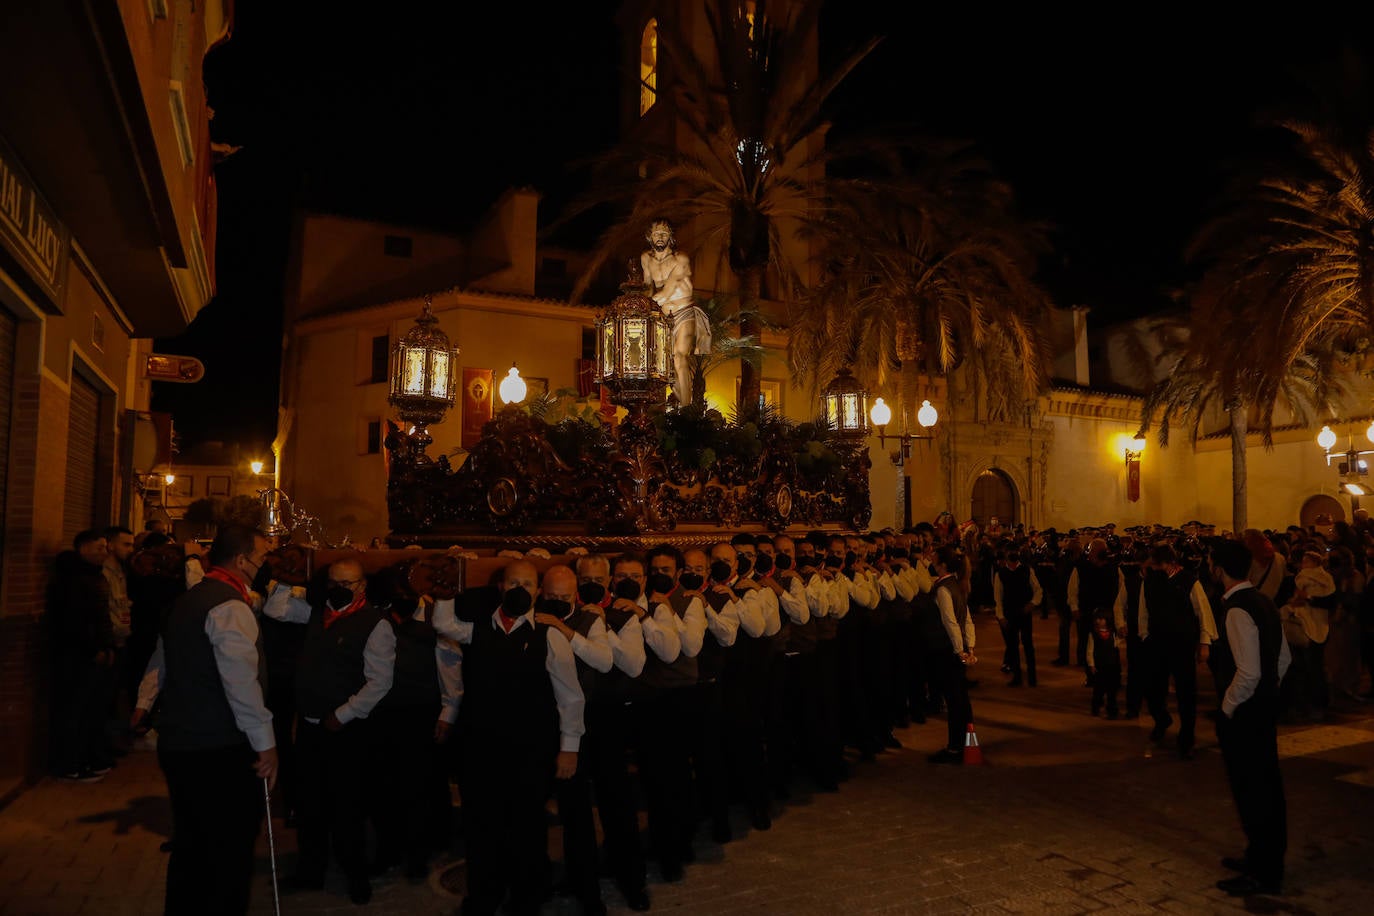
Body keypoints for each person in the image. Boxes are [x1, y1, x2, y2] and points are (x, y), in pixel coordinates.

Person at [432, 560, 585, 916]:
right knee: (481, 827)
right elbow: (442, 622)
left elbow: (571, 697)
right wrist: (443, 593)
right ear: (501, 586)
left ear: (537, 591)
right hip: (481, 750)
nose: (520, 589)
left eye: (528, 584)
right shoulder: (477, 629)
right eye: (514, 582)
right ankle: (484, 895)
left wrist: (569, 749)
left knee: (527, 829)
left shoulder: (549, 636)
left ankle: (527, 897)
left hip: (530, 752)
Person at [155, 525, 277, 915]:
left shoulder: (189, 599)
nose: (262, 566)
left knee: (192, 844)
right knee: (227, 850)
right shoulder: (229, 606)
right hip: (216, 747)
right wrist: (266, 744)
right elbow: (241, 682)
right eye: (260, 558)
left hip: (179, 741)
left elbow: (163, 661)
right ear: (241, 560)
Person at [263, 557, 397, 905]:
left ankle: (356, 875)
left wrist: (344, 713)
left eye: (347, 584)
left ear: (361, 586)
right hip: (308, 728)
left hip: (346, 731)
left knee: (347, 807)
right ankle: (310, 870)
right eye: (334, 582)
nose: (340, 589)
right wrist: (282, 576)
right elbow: (276, 609)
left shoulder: (375, 624)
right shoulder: (313, 611)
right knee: (309, 804)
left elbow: (380, 682)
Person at [1209, 539, 1291, 897]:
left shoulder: (1237, 610)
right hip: (1263, 707)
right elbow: (1283, 658)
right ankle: (1261, 856)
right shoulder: (1263, 602)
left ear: (1219, 570)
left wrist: (1227, 708)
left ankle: (1264, 872)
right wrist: (1271, 694)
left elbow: (1249, 672)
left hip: (1245, 713)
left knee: (1252, 790)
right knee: (1265, 787)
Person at [47, 529, 117, 782]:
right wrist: (94, 649)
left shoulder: (93, 577)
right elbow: (74, 622)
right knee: (74, 711)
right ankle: (69, 764)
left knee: (91, 710)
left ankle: (90, 759)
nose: (105, 552)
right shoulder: (72, 581)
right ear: (83, 548)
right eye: (99, 548)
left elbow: (100, 617)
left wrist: (107, 647)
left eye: (106, 547)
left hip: (95, 654)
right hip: (77, 658)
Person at [1139, 543, 1217, 758]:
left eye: (1158, 564)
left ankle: (1187, 737)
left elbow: (1202, 611)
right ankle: (1161, 719)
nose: (1155, 567)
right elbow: (1144, 609)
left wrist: (1204, 642)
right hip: (1156, 642)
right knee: (1153, 688)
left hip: (1182, 644)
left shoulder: (1189, 581)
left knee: (1186, 692)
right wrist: (1145, 634)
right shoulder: (1150, 581)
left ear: (1170, 563)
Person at [641, 219, 709, 407]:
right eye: (656, 233)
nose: (660, 237)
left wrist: (640, 305)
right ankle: (675, 402)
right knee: (663, 364)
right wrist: (642, 300)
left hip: (683, 311)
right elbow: (648, 287)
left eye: (664, 233)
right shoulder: (646, 258)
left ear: (670, 236)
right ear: (650, 237)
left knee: (680, 357)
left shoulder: (681, 259)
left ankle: (687, 409)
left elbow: (667, 291)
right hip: (663, 316)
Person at [927, 546, 975, 764]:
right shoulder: (958, 584)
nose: (931, 559)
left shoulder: (944, 588)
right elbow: (966, 619)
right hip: (957, 649)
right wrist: (969, 647)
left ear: (943, 564)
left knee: (955, 700)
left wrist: (959, 650)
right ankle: (966, 743)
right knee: (960, 699)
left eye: (934, 558)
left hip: (947, 650)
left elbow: (951, 621)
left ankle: (956, 747)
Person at [993, 548, 1042, 687]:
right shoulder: (1001, 574)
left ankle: (1032, 677)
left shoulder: (1027, 570)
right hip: (1010, 614)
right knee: (1013, 646)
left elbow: (1038, 589)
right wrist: (1001, 616)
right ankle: (1017, 677)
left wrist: (1032, 603)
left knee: (1028, 645)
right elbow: (998, 597)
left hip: (1024, 613)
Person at [1086, 611, 1122, 718]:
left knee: (1112, 692)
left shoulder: (1113, 634)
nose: (1098, 621)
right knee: (1098, 690)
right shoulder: (1093, 634)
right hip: (1100, 667)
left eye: (1101, 619)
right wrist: (1091, 664)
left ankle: (1112, 711)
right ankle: (1095, 708)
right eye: (1097, 619)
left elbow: (1118, 643)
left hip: (1112, 667)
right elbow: (1089, 651)